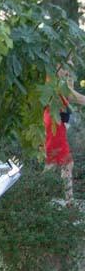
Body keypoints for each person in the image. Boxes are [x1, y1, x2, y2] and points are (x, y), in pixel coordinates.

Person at [44, 66, 85, 202]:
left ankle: (67, 200)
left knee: (59, 162)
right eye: (66, 67)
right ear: (56, 66)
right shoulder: (55, 82)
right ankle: (40, 195)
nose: (68, 72)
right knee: (60, 162)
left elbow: (69, 97)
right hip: (55, 120)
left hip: (55, 119)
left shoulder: (58, 82)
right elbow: (73, 96)